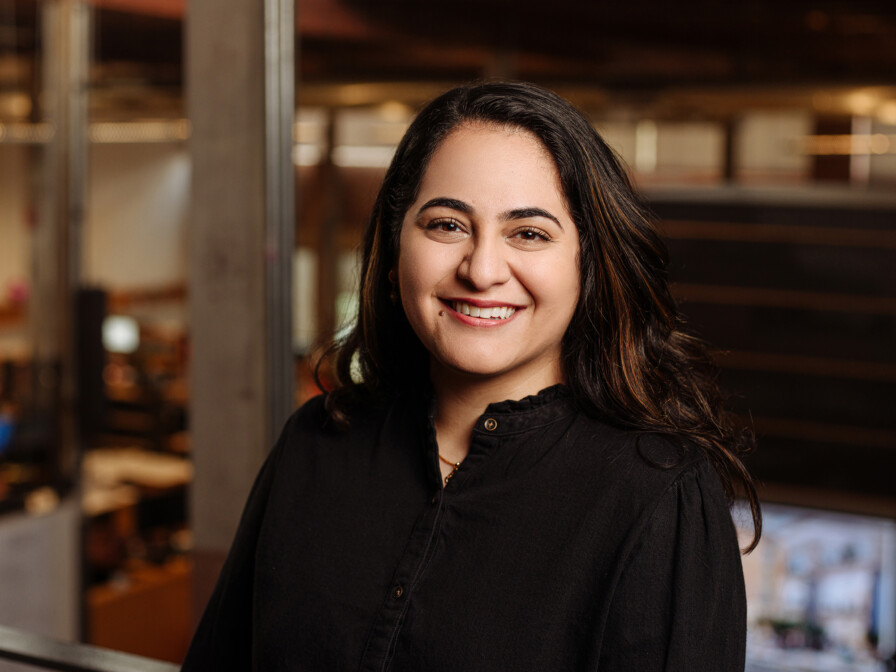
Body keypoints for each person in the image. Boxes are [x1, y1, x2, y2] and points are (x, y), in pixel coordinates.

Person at [182, 81, 760, 671]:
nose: (482, 270)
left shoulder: (657, 495)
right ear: (392, 249)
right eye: (446, 225)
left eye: (529, 234)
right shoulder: (316, 443)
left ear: (590, 268)